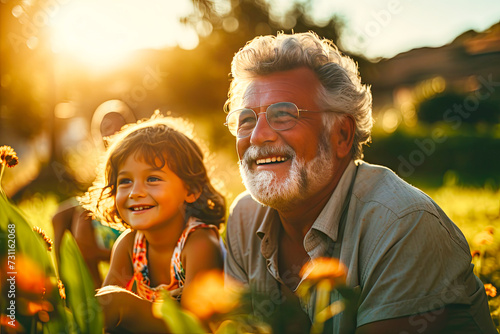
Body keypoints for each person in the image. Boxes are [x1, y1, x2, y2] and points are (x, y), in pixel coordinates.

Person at [223, 32, 496, 333]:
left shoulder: (403, 225)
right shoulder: (243, 218)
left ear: (341, 135)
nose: (258, 135)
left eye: (284, 114)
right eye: (246, 119)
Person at [81, 114, 226, 333]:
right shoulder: (130, 244)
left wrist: (127, 306)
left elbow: (193, 327)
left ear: (191, 190)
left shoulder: (199, 243)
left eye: (153, 179)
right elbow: (105, 314)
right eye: (125, 181)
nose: (136, 192)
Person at [52, 100, 136, 288]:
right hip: (107, 201)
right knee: (60, 216)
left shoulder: (131, 153)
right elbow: (102, 189)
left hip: (123, 211)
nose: (112, 129)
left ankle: (96, 289)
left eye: (118, 124)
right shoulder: (106, 157)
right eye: (106, 125)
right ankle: (63, 283)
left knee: (82, 220)